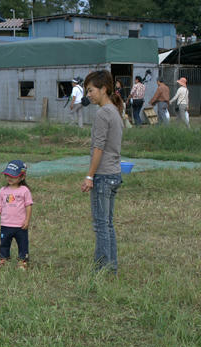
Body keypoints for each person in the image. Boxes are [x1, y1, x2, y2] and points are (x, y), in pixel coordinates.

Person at [81, 70, 124, 273]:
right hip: (115, 174)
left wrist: (90, 175)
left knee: (100, 225)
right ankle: (112, 267)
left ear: (104, 89)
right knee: (108, 224)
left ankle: (101, 270)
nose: (88, 94)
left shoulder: (102, 113)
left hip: (104, 176)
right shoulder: (115, 111)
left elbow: (98, 148)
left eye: (91, 90)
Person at [0, 160, 33, 270]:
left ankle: (22, 261)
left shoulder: (24, 191)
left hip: (20, 225)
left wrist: (27, 221)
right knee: (4, 243)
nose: (9, 178)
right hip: (5, 224)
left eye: (13, 176)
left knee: (22, 244)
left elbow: (28, 206)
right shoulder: (3, 190)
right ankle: (3, 259)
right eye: (7, 175)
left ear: (22, 177)